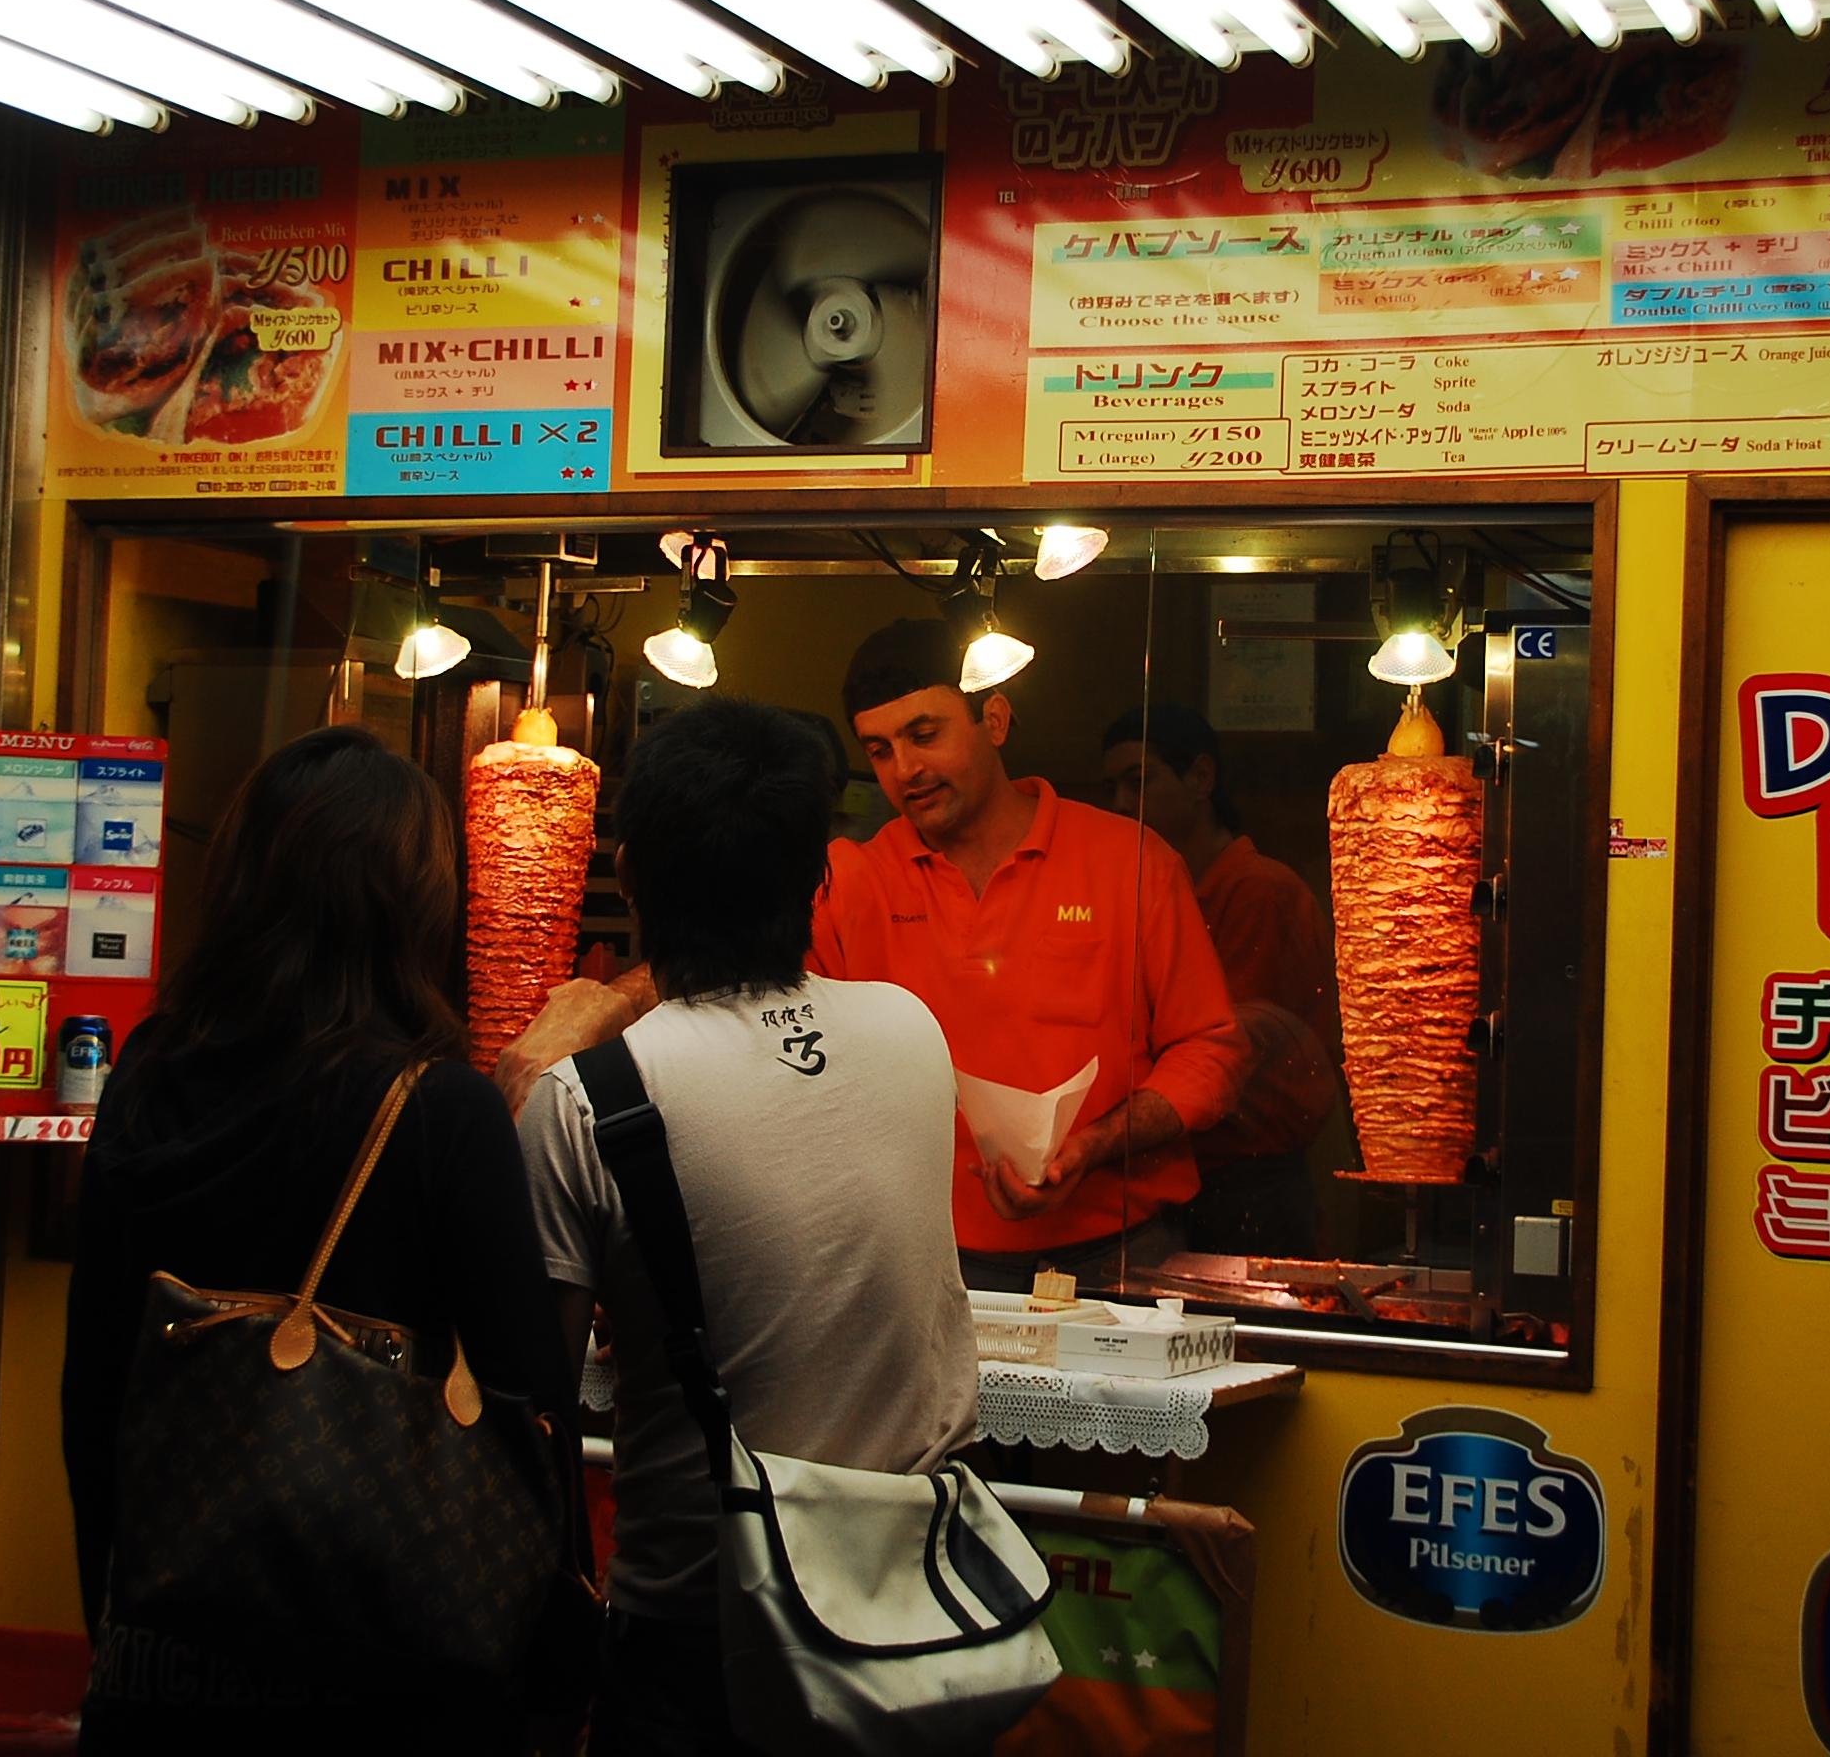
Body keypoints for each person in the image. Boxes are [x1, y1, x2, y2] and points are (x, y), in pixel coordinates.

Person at [60, 725, 570, 1748]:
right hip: (380, 1674)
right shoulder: (439, 1107)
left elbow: (94, 1379)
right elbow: (530, 1409)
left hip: (164, 1662)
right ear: (413, 900)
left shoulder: (149, 1072)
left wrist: (112, 1614)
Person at [517, 695, 980, 1755]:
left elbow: (531, 1405)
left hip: (697, 1632)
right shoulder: (912, 1030)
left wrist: (524, 1072)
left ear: (627, 874)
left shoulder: (585, 1097)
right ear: (818, 878)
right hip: (909, 1610)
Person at [812, 617, 1246, 1294]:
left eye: (924, 735)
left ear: (994, 720)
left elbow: (1210, 1053)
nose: (906, 770)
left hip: (1124, 1251)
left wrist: (1094, 1145)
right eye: (879, 750)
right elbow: (791, 1057)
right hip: (927, 1257)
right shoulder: (850, 882)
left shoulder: (1129, 861)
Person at [1100, 701, 1341, 1252]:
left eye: (1139, 782)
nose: (1120, 805)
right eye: (1111, 788)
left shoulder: (1260, 890)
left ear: (1200, 778)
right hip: (1175, 1164)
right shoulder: (1151, 891)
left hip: (1247, 1177)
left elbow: (1222, 1049)